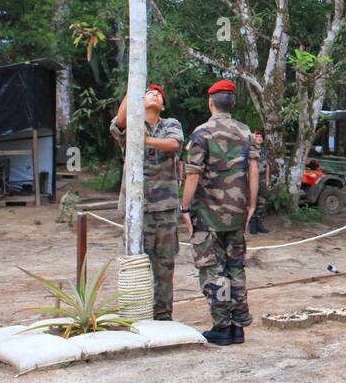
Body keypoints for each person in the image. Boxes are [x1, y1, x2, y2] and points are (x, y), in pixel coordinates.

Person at [180, 79, 260, 346]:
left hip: (207, 215)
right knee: (236, 267)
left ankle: (222, 327)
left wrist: (184, 206)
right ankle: (239, 326)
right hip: (236, 213)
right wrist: (251, 205)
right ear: (233, 103)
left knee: (213, 270)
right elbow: (253, 171)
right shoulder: (246, 132)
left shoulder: (201, 133)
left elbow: (192, 174)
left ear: (210, 103)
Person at [109, 83, 184, 320]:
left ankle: (163, 314)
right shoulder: (133, 124)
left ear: (163, 104)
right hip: (137, 208)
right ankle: (136, 314)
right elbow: (119, 123)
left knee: (164, 264)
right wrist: (133, 91)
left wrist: (147, 141)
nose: (154, 95)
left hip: (165, 207)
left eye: (158, 95)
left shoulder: (170, 124)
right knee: (135, 263)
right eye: (149, 93)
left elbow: (174, 144)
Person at [248, 129, 271, 235]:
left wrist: (267, 180)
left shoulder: (264, 151)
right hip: (252, 179)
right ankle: (252, 225)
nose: (259, 138)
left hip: (261, 179)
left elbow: (267, 166)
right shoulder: (249, 150)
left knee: (262, 202)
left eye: (261, 137)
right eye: (257, 136)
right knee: (252, 201)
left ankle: (259, 224)